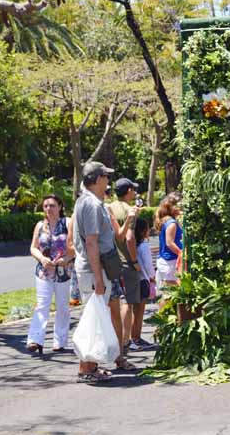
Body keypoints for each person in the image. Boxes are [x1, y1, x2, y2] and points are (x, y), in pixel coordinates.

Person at [71, 161, 136, 383]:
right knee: (93, 318)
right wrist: (98, 277)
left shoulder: (90, 202)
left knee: (97, 316)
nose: (108, 181)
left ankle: (91, 367)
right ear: (98, 179)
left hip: (95, 269)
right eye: (106, 177)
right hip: (93, 270)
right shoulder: (90, 204)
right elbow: (91, 243)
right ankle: (85, 369)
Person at [108, 178, 152, 352]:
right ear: (128, 191)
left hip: (113, 260)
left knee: (118, 301)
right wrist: (134, 261)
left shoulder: (110, 207)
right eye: (133, 190)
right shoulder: (130, 210)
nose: (134, 193)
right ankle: (126, 339)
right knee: (129, 301)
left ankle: (121, 338)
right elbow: (129, 237)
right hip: (126, 261)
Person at [26, 194, 74, 354]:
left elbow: (75, 247)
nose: (48, 209)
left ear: (60, 207)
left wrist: (66, 259)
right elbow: (33, 247)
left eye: (52, 205)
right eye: (45, 206)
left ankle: (59, 342)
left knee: (62, 307)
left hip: (63, 272)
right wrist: (41, 258)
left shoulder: (67, 223)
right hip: (43, 272)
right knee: (42, 305)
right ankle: (35, 340)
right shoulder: (40, 225)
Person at [155, 192, 184, 290]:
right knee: (171, 294)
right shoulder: (172, 223)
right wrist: (181, 253)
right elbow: (169, 243)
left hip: (167, 261)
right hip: (170, 261)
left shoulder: (168, 220)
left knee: (169, 293)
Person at [134, 218, 156, 343]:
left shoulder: (132, 245)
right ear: (143, 231)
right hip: (143, 280)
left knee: (134, 310)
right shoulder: (144, 246)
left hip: (135, 279)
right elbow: (148, 265)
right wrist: (152, 276)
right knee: (140, 312)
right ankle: (136, 337)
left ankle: (132, 337)